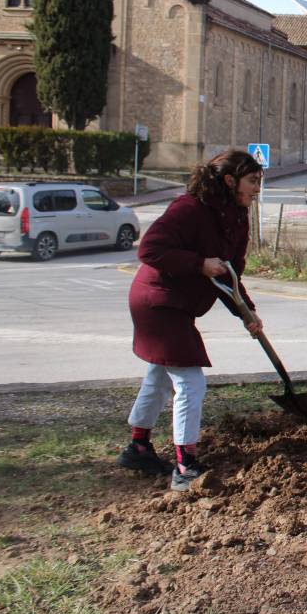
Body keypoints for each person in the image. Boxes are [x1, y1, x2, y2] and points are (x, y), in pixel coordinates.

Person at [116, 149, 264, 490]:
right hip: (157, 301)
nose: (257, 189)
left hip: (176, 305)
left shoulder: (237, 216)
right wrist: (198, 264)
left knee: (161, 375)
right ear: (230, 181)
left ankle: (138, 446)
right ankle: (185, 467)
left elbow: (228, 274)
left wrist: (247, 312)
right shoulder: (190, 209)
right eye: (252, 181)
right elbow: (149, 250)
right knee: (189, 381)